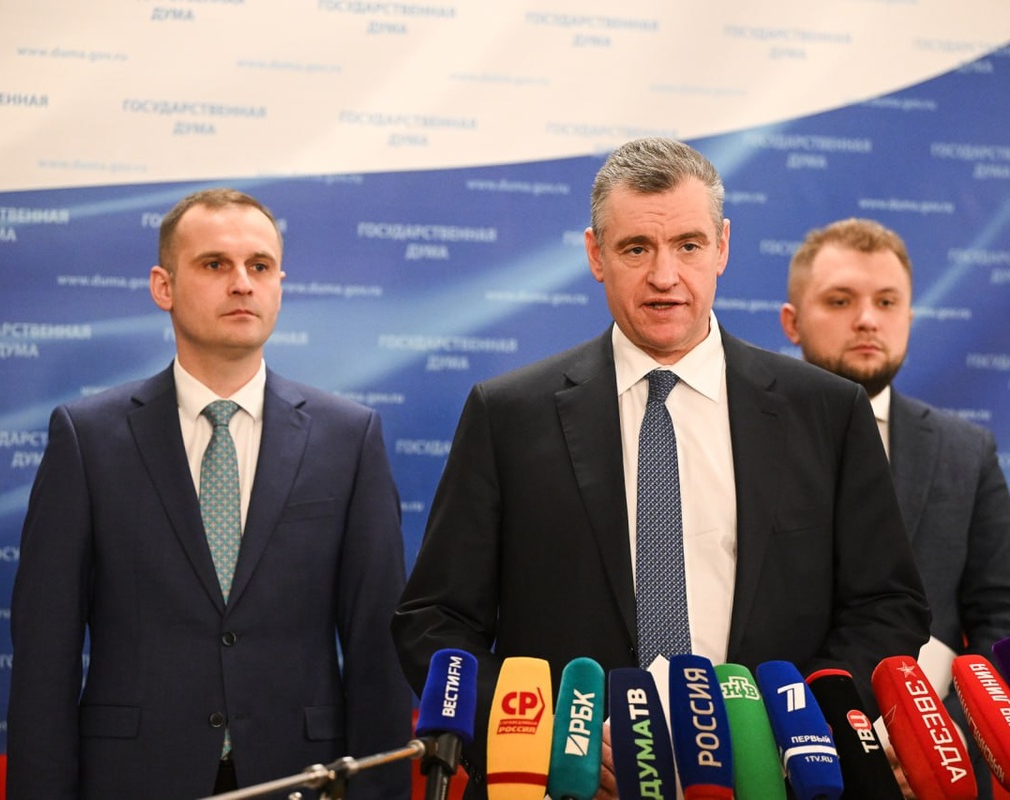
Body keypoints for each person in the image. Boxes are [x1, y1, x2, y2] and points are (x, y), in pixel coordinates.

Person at [392, 138, 931, 797]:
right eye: (635, 249)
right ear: (596, 255)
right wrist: (550, 739)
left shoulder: (828, 411)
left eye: (688, 245)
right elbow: (436, 622)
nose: (664, 276)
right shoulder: (508, 415)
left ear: (722, 247)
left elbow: (886, 606)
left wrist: (795, 729)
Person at [6, 188, 411, 800]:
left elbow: (377, 653)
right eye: (215, 264)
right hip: (132, 780)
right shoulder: (87, 439)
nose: (242, 283)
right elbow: (45, 658)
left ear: (279, 286)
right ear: (163, 286)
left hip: (301, 777)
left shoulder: (349, 438)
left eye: (260, 266)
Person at [780, 217, 1010, 798]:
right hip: (783, 762)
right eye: (840, 300)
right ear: (792, 322)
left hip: (934, 774)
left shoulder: (965, 450)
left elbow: (1004, 619)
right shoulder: (739, 439)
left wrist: (948, 735)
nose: (867, 319)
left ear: (909, 318)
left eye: (887, 302)